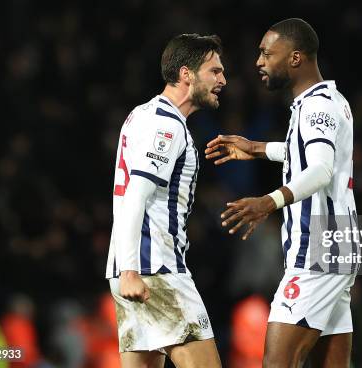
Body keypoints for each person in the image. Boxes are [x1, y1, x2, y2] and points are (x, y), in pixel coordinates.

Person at [205, 18, 357, 367]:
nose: (259, 61)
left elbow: (320, 169)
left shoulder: (316, 107)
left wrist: (268, 202)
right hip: (338, 246)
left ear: (295, 58)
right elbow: (308, 152)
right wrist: (257, 148)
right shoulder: (332, 101)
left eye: (266, 53)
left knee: (277, 362)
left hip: (317, 249)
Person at [105, 33, 226, 368]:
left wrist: (125, 269)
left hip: (130, 268)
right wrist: (132, 270)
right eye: (215, 71)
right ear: (186, 74)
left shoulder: (141, 114)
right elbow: (136, 196)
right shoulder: (166, 126)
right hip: (154, 270)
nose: (223, 80)